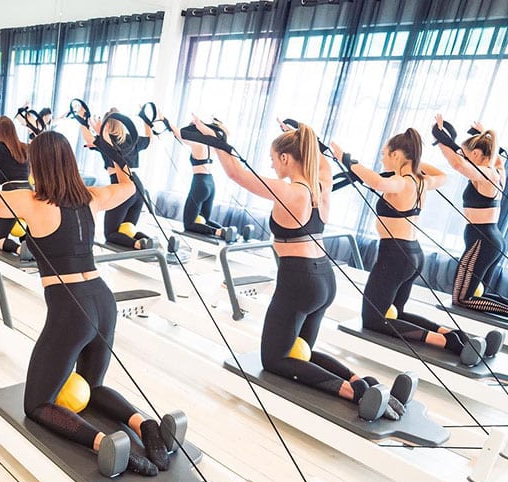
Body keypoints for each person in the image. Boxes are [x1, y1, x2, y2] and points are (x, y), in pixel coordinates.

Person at [0, 119, 177, 477]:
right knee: (92, 385)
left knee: (37, 403)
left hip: (72, 310)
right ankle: (144, 423)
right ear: (70, 161)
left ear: (37, 165)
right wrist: (115, 158)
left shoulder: (32, 200)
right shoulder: (91, 195)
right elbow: (130, 187)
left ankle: (106, 444)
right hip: (104, 301)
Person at [197, 117, 414, 421]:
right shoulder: (320, 186)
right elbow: (320, 161)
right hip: (324, 277)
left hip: (299, 281)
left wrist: (214, 138)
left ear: (286, 158)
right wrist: (303, 135)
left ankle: (358, 393)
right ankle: (366, 383)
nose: (272, 166)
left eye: (274, 159)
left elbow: (235, 173)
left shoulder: (290, 192)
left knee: (275, 358)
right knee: (302, 350)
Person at [332, 130, 501, 365]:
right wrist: (413, 161)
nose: (382, 159)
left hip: (394, 257)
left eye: (385, 154)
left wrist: (346, 159)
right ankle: (457, 336)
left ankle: (448, 342)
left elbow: (377, 181)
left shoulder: (401, 182)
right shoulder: (421, 181)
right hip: (412, 255)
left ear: (397, 155)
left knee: (374, 319)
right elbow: (442, 175)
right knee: (396, 313)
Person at [434, 115, 508, 317]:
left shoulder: (486, 174)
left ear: (476, 153)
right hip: (489, 239)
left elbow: (458, 164)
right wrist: (483, 135)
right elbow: (497, 157)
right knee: (471, 295)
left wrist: (441, 139)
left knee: (462, 298)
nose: (465, 158)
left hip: (482, 241)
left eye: (467, 155)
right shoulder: (497, 171)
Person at [77, 106, 155, 250]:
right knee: (127, 228)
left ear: (106, 124)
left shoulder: (106, 141)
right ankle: (150, 240)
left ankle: (137, 243)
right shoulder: (132, 139)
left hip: (122, 187)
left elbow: (88, 137)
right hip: (138, 187)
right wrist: (145, 118)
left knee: (111, 233)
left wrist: (82, 120)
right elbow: (150, 139)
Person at [170, 122, 238, 242]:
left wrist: (163, 119)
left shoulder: (198, 145)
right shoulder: (213, 145)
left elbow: (178, 133)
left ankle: (218, 231)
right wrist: (218, 125)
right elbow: (227, 133)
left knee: (189, 223)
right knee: (204, 219)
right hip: (211, 184)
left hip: (199, 184)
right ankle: (225, 230)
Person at [0, 116, 32, 258]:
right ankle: (30, 248)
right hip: (29, 194)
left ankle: (20, 250)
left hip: (11, 195)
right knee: (26, 235)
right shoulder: (25, 147)